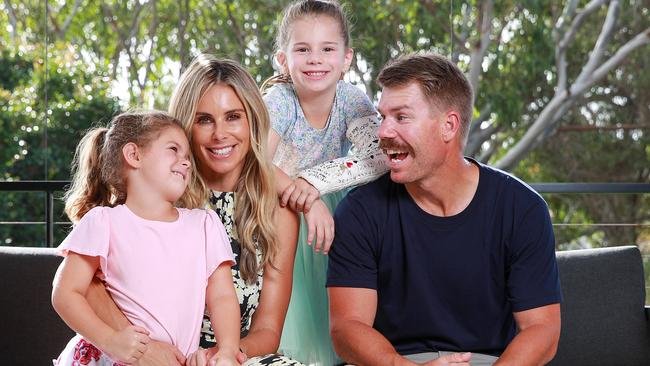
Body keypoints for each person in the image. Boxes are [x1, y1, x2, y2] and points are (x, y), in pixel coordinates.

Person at [327, 53, 562, 366]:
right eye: (383, 117)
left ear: (449, 125)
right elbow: (347, 328)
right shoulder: (358, 212)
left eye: (401, 117)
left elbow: (542, 329)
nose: (383, 132)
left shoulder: (523, 209)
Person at [85, 56, 302, 366]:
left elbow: (268, 329)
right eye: (204, 120)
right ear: (185, 125)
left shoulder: (278, 213)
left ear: (252, 120)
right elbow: (89, 286)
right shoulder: (157, 190)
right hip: (141, 354)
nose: (220, 134)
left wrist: (222, 355)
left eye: (233, 117)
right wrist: (146, 351)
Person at [51, 111, 240, 366]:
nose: (185, 163)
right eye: (174, 149)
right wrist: (110, 341)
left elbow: (222, 297)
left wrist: (226, 351)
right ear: (134, 155)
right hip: (109, 357)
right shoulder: (103, 222)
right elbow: (66, 293)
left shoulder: (204, 225)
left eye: (187, 157)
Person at [262, 1, 388, 364]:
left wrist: (316, 184)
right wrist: (306, 197)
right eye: (302, 49)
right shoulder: (280, 101)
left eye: (327, 49)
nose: (315, 59)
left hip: (334, 205)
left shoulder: (351, 99)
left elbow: (377, 156)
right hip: (283, 204)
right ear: (283, 60)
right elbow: (256, 163)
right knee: (296, 300)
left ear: (346, 58)